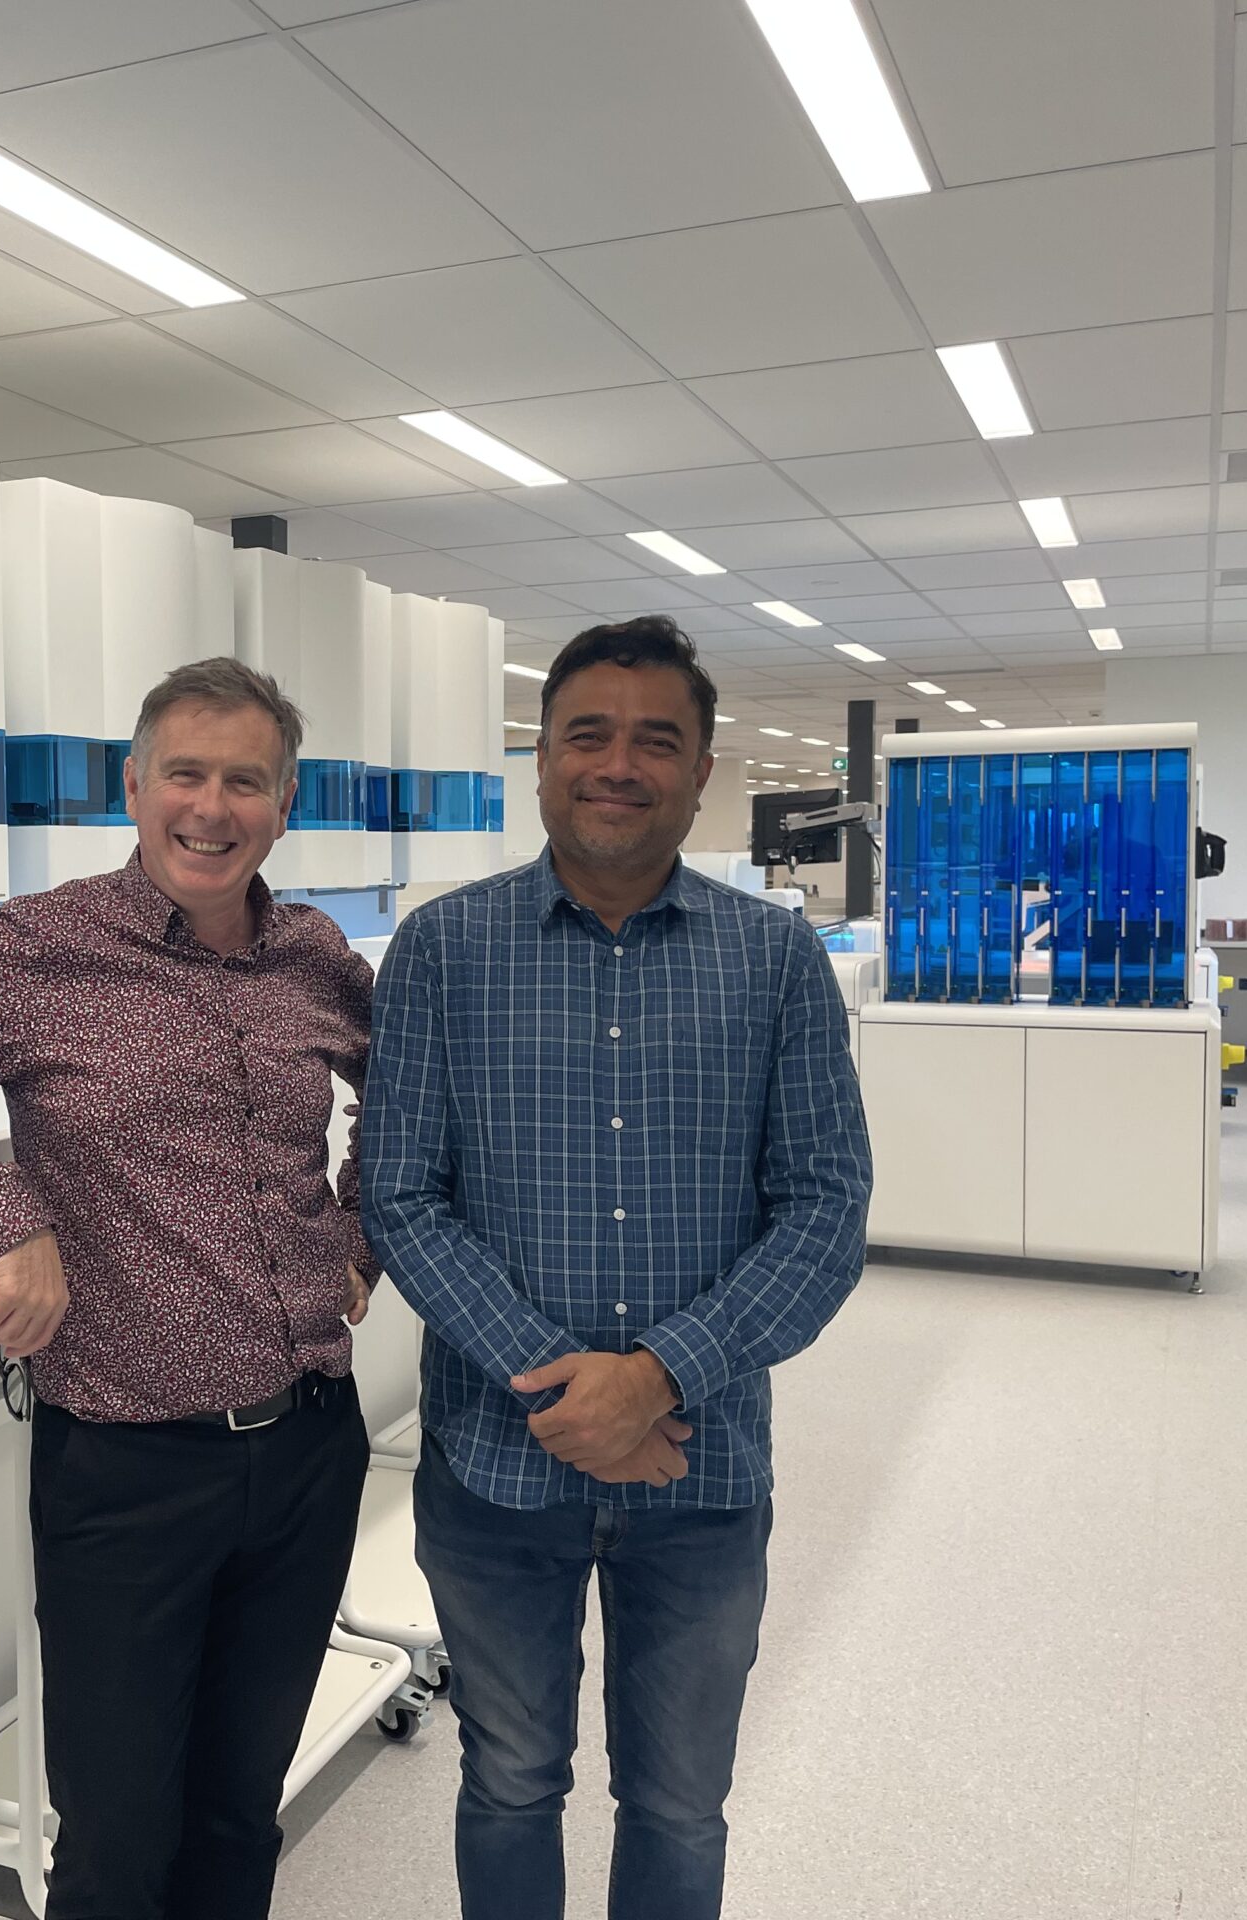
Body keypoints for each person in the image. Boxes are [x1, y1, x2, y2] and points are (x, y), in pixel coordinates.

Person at [0, 657, 377, 1920]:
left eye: (245, 781)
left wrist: (360, 1225)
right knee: (118, 1841)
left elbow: (403, 1090)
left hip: (309, 1448)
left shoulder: (313, 954)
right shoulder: (36, 950)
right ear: (134, 786)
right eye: (185, 773)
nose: (210, 808)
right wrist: (11, 1215)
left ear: (286, 803)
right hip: (128, 1472)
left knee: (237, 1814)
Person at [361, 616, 872, 1920]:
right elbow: (401, 1197)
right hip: (493, 1477)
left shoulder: (776, 961)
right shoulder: (442, 950)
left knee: (680, 1804)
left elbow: (825, 1210)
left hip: (702, 1476)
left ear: (705, 774)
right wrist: (567, 1392)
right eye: (589, 734)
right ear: (542, 762)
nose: (620, 765)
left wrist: (659, 1378)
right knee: (512, 1782)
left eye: (660, 741)